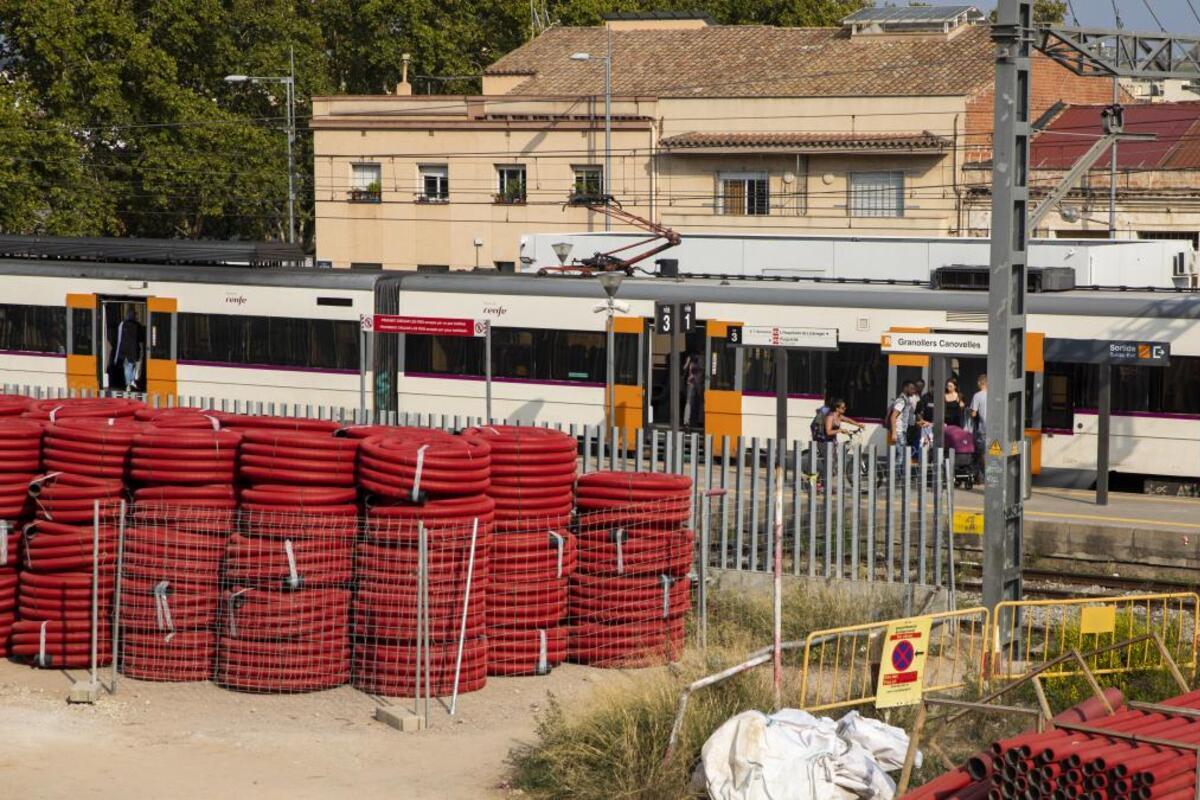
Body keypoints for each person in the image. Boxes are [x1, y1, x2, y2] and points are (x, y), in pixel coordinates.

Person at [112, 309, 144, 391]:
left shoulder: (122, 324)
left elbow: (119, 339)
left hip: (125, 351)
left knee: (127, 367)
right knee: (132, 366)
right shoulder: (138, 326)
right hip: (134, 350)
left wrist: (117, 355)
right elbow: (141, 339)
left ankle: (128, 384)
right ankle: (131, 382)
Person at [969, 374, 988, 479]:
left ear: (979, 383)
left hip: (983, 428)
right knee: (994, 452)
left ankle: (985, 474)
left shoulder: (977, 395)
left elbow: (973, 414)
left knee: (982, 452)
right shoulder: (994, 394)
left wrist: (968, 411)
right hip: (995, 428)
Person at [682, 352, 703, 427]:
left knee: (696, 402)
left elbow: (685, 369)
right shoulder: (692, 361)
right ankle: (687, 421)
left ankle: (690, 420)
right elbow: (684, 369)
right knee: (690, 402)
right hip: (693, 383)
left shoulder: (698, 360)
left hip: (696, 383)